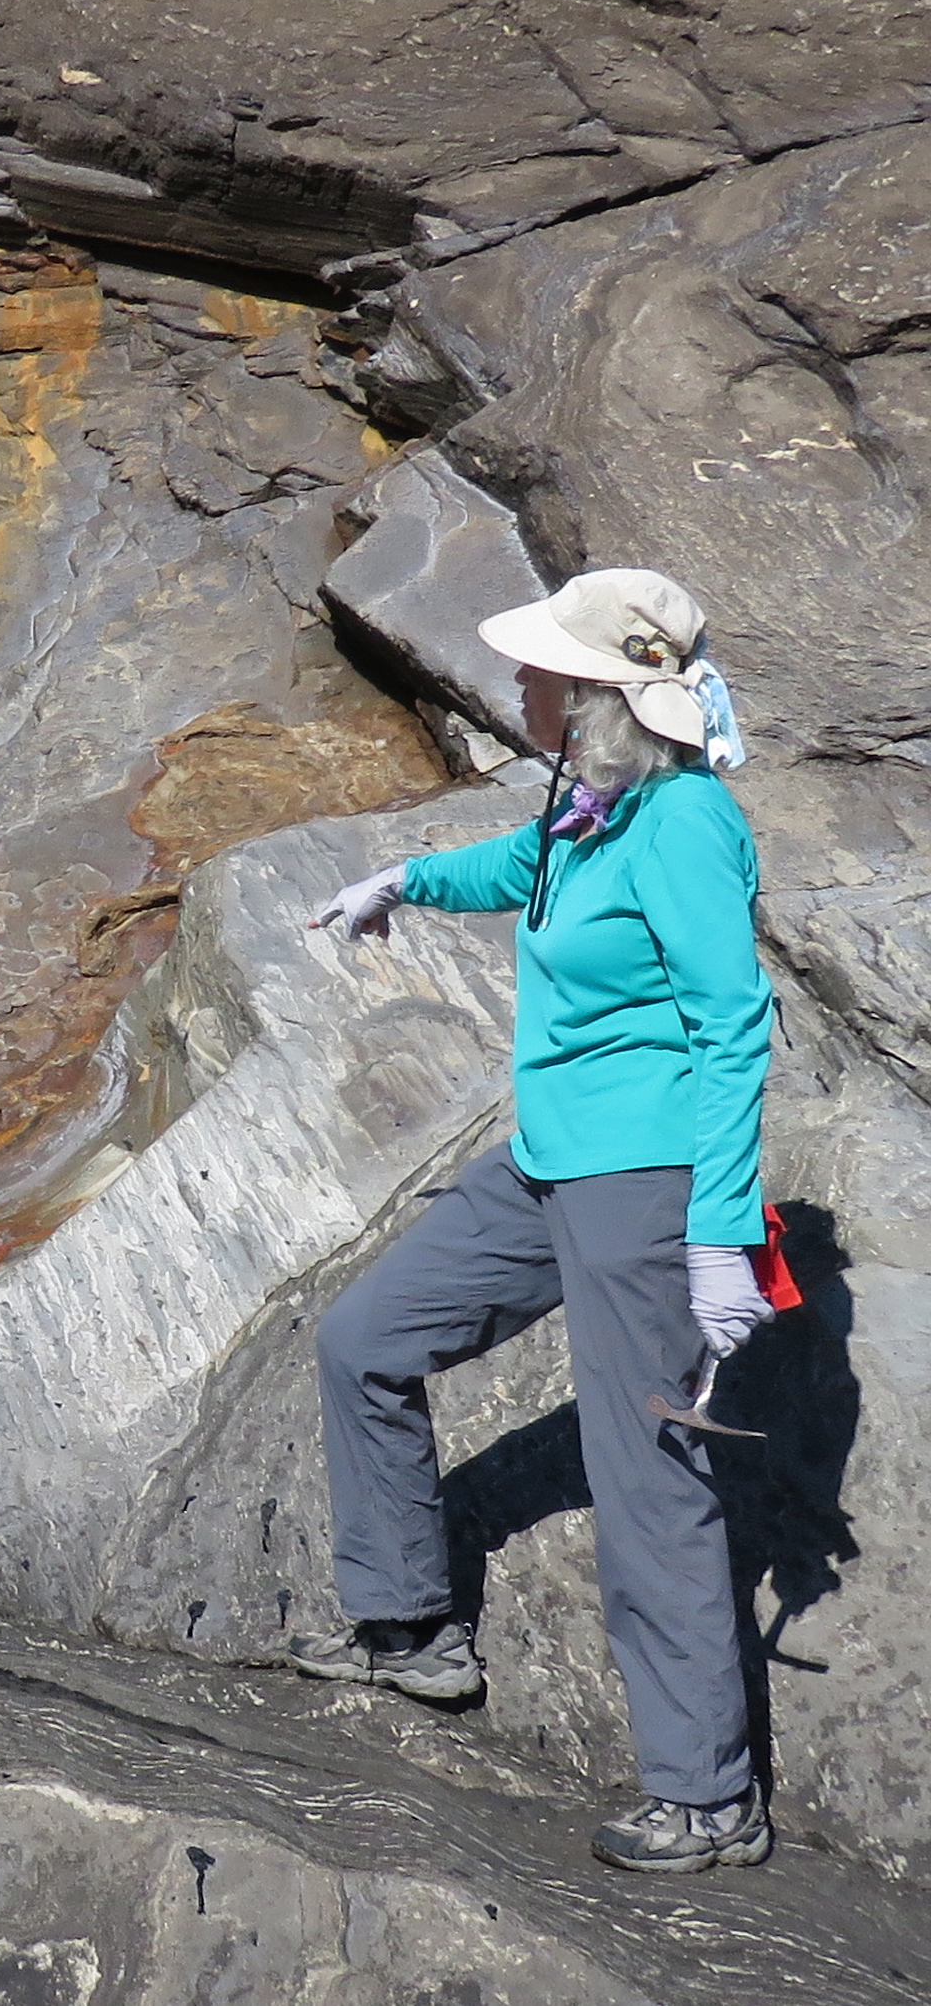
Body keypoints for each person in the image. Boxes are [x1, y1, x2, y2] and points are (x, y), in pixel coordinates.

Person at [295, 567, 776, 1875]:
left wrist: (724, 1228)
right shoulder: (591, 795)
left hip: (644, 1188)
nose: (518, 680)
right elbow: (522, 862)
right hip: (546, 1160)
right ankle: (409, 1631)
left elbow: (737, 1029)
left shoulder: (683, 827)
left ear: (605, 695)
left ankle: (709, 1798)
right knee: (366, 1341)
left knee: (647, 1478)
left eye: (544, 668)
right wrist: (407, 878)